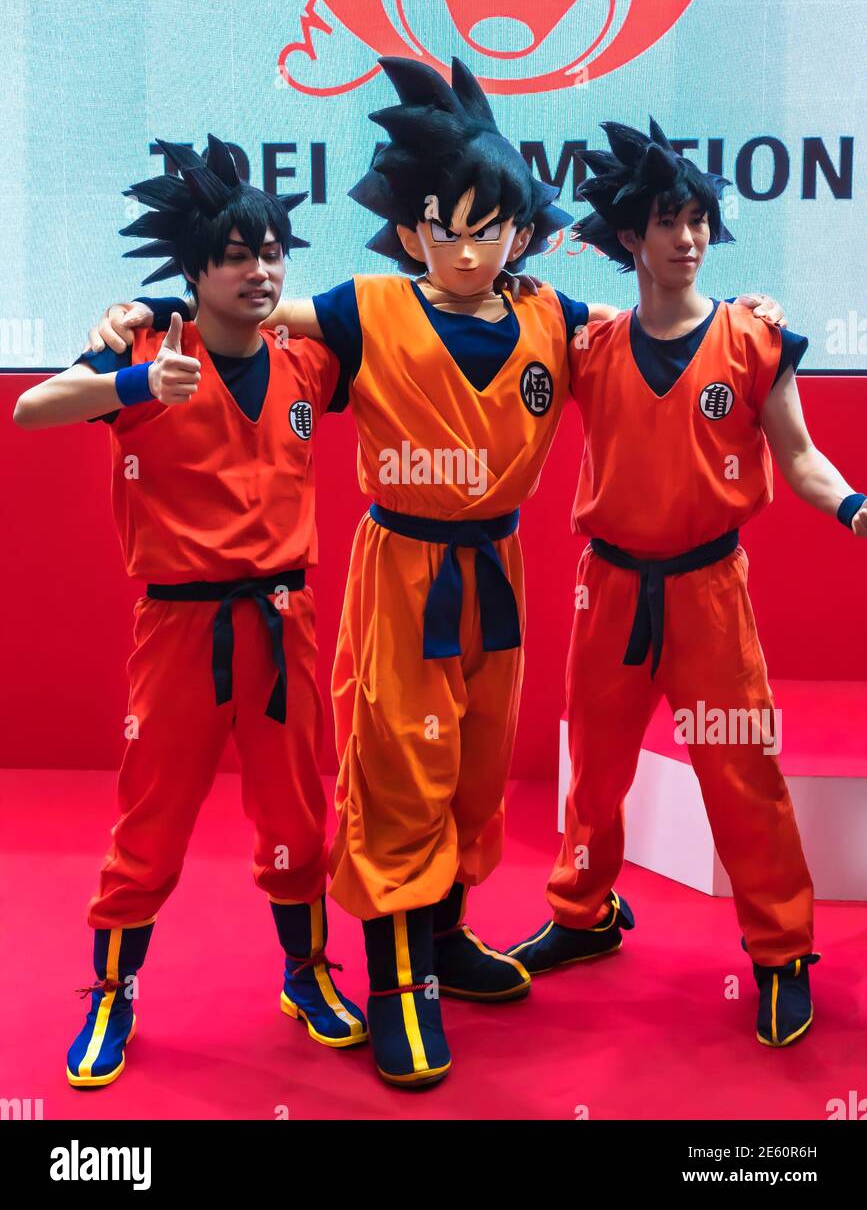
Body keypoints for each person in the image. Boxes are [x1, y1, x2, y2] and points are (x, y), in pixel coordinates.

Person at [86, 67, 785, 1085]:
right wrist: (149, 307)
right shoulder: (366, 308)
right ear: (414, 232)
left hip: (496, 569)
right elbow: (249, 318)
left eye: (490, 225)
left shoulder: (551, 316)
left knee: (474, 771)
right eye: (446, 228)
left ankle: (446, 937)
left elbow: (656, 335)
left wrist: (741, 310)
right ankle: (395, 983)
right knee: (396, 774)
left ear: (521, 228)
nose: (469, 247)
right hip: (404, 566)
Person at [13, 136, 366, 1088]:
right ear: (196, 269)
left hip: (284, 622)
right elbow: (32, 410)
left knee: (298, 815)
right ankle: (114, 995)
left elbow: (421, 332)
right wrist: (131, 383)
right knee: (152, 821)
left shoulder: (307, 366)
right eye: (236, 256)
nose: (259, 272)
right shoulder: (141, 348)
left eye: (271, 254)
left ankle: (305, 971)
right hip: (178, 630)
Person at [507, 117, 866, 1047]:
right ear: (631, 236)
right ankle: (582, 914)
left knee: (742, 775)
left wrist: (855, 506)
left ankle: (782, 952)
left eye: (700, 218)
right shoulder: (588, 344)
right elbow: (483, 307)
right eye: (668, 220)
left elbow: (800, 457)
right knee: (592, 772)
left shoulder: (752, 340)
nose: (689, 236)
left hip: (708, 593)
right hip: (610, 590)